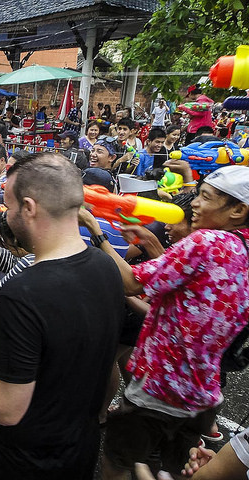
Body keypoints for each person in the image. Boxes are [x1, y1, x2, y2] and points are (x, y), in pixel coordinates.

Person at [0, 152, 124, 479]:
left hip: (24, 461)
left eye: (10, 208)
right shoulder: (107, 268)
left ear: (29, 208)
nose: (5, 217)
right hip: (78, 453)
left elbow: (6, 407)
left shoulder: (22, 293)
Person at [79, 165, 249, 478]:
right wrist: (152, 246)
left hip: (160, 388)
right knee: (174, 469)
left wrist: (95, 228)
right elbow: (189, 300)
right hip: (202, 394)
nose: (194, 203)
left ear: (238, 209)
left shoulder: (206, 242)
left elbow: (130, 283)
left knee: (117, 464)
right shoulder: (240, 248)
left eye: (206, 198)